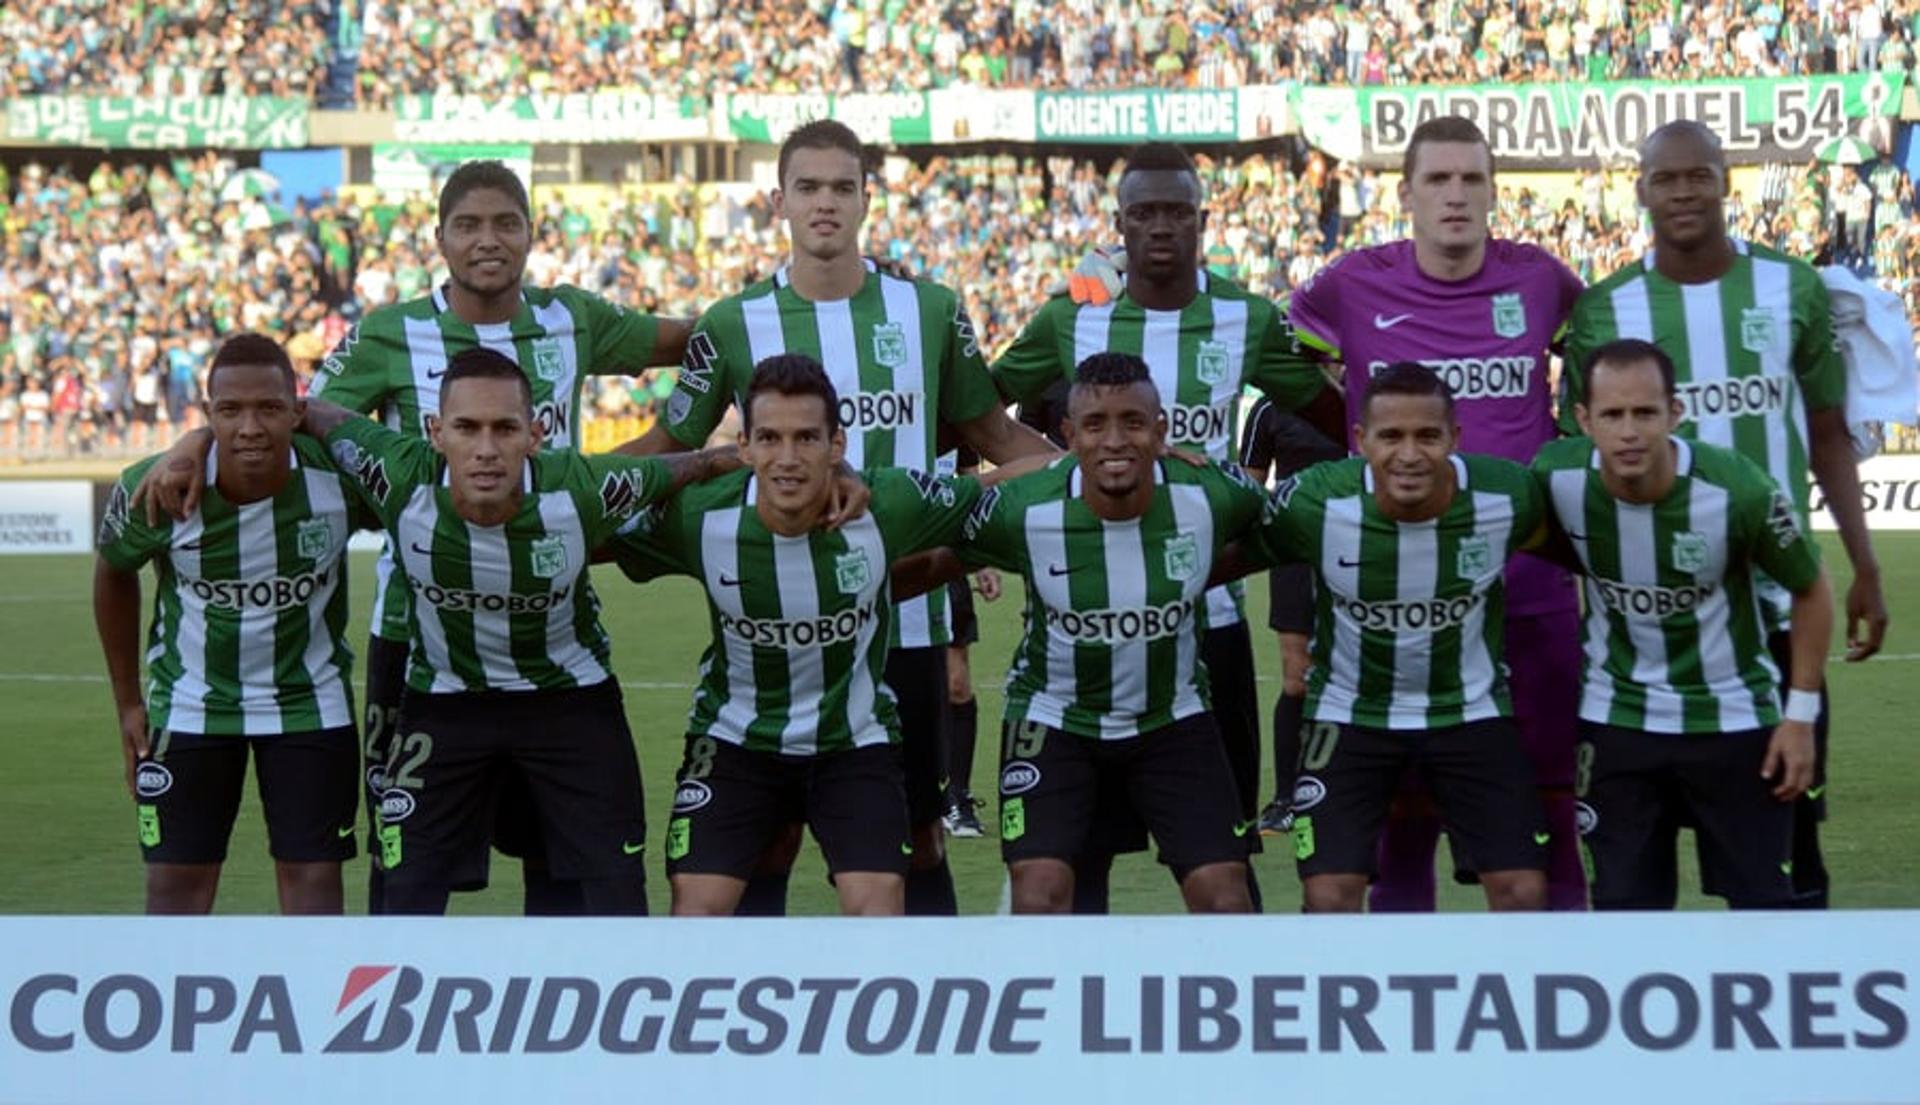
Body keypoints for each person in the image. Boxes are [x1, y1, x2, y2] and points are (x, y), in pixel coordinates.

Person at [136, 159, 693, 916]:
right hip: (416, 637)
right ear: (439, 238)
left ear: (532, 233)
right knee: (405, 870)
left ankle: (555, 1016)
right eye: (468, 225)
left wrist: (636, 462)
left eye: (505, 223)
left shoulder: (575, 319)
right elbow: (283, 413)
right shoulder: (390, 333)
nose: (487, 240)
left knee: (561, 865)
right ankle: (393, 1020)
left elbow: (702, 344)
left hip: (549, 629)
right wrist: (192, 442)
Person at [629, 119, 1057, 916]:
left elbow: (995, 437)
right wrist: (552, 487)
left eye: (841, 187)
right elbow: (671, 448)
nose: (825, 202)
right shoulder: (730, 322)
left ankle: (930, 1013)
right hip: (783, 606)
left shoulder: (930, 310)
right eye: (808, 187)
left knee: (920, 835)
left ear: (867, 198)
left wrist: (1119, 473)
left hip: (911, 616)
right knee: (768, 839)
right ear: (780, 201)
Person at [997, 141, 1342, 912]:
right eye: (1143, 211)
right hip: (1080, 610)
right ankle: (1073, 1018)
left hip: (1207, 619)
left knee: (1225, 857)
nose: (1160, 226)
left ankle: (1234, 1011)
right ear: (1118, 224)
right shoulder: (1072, 316)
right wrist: (1050, 477)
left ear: (1203, 219)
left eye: (1176, 211)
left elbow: (1338, 416)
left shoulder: (1245, 318)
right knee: (1077, 859)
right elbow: (983, 411)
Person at [1561, 120, 1889, 910]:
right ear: (1639, 189)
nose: (1681, 192)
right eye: (1664, 178)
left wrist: (1864, 564)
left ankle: (1791, 1016)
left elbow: (1826, 433)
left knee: (1788, 854)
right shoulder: (1606, 311)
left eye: (1698, 175)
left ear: (1724, 184)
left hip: (1772, 617)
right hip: (1641, 628)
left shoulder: (1793, 290)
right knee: (1635, 881)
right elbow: (1576, 460)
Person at [295, 347, 738, 915]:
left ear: (536, 433)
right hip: (445, 703)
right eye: (466, 428)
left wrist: (722, 460)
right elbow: (307, 412)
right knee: (402, 892)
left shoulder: (581, 489)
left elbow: (680, 469)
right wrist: (193, 445)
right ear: (435, 432)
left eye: (505, 428)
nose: (485, 449)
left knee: (616, 893)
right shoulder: (397, 474)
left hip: (571, 705)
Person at [1287, 115, 1589, 913]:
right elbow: (1296, 371)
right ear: (1406, 193)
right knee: (1397, 831)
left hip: (1530, 592)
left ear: (1493, 190)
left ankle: (1558, 1009)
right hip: (1391, 597)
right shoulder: (1347, 284)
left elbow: (1596, 378)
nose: (1455, 196)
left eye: (1471, 179)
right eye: (1438, 180)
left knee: (1553, 818)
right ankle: (1401, 1021)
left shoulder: (1543, 282)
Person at [610, 355, 1039, 914]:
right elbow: (591, 525)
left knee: (879, 907)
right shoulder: (700, 517)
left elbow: (1000, 484)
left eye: (806, 438)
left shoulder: (888, 503)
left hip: (853, 744)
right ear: (743, 447)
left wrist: (1106, 459)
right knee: (696, 909)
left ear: (837, 446)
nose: (787, 459)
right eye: (769, 438)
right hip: (736, 742)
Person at [932, 352, 1264, 914]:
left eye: (1133, 423)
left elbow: (1286, 534)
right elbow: (936, 552)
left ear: (1161, 430)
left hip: (1172, 717)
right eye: (1094, 425)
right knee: (1042, 895)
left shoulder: (1214, 494)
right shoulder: (1023, 508)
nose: (1114, 440)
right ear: (1068, 435)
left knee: (1226, 897)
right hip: (1054, 717)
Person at [1239, 363, 1552, 914]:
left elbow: (1582, 545)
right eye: (1391, 436)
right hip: (1350, 717)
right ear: (1360, 442)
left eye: (1427, 436)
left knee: (1524, 892)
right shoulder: (1315, 503)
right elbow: (1224, 548)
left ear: (1455, 439)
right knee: (1329, 897)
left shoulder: (1508, 496)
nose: (1409, 454)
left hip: (1470, 714)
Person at [1536, 339, 1831, 908]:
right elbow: (1537, 541)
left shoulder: (1736, 490)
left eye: (1645, 413)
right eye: (1612, 415)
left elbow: (1812, 590)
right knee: (1627, 914)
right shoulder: (1555, 478)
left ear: (1675, 413)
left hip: (1736, 723)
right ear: (1582, 420)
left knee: (1764, 913)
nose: (1629, 432)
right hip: (1616, 722)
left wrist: (1798, 719)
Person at [93, 333, 369, 915]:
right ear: (207, 414)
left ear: (298, 412)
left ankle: (314, 1003)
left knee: (313, 886)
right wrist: (127, 703)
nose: (249, 427)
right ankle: (171, 1003)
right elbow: (114, 571)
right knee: (176, 891)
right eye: (230, 411)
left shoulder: (339, 482)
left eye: (269, 408)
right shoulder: (158, 486)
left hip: (310, 703)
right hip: (190, 705)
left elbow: (413, 481)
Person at [1236, 393, 1344, 835]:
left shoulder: (1358, 390)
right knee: (1297, 676)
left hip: (1357, 541)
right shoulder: (1268, 408)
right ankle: (1287, 797)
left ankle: (1351, 788)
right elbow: (1249, 486)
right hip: (1294, 552)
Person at [941, 446, 1002, 839]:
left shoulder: (949, 412)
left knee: (957, 685)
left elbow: (970, 487)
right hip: (889, 555)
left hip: (945, 564)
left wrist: (980, 563)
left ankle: (957, 796)